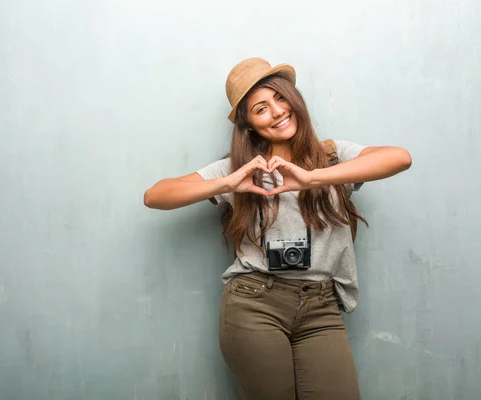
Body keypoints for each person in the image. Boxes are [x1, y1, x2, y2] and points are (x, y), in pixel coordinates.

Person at [143, 57, 412, 400]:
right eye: (261, 108)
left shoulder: (332, 156)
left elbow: (399, 157)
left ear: (294, 99)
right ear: (250, 125)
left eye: (280, 98)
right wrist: (227, 182)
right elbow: (156, 196)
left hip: (320, 306)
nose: (277, 111)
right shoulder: (240, 170)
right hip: (255, 304)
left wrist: (312, 177)